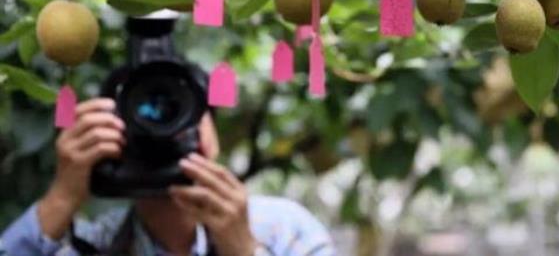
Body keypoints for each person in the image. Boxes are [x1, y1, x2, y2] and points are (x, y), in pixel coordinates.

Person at [0, 98, 336, 256]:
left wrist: (246, 251)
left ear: (212, 134)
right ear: (113, 137)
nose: (161, 133)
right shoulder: (92, 245)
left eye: (178, 113)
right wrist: (62, 198)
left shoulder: (284, 230)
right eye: (143, 117)